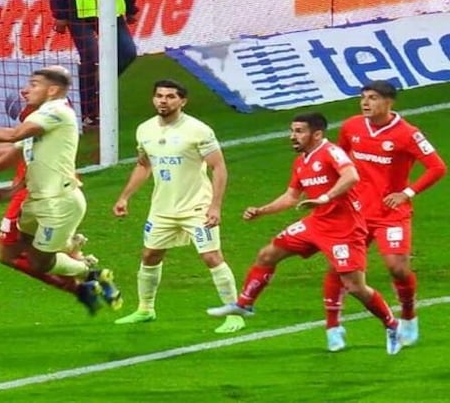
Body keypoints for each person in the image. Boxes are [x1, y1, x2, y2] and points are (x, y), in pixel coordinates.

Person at [207, 112, 405, 355]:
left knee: (355, 287)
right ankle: (245, 304)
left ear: (317, 134)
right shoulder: (302, 161)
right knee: (267, 254)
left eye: (299, 131)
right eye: (292, 131)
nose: (293, 136)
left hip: (345, 230)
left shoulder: (331, 152)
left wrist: (325, 197)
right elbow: (291, 197)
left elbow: (351, 176)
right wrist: (262, 210)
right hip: (316, 224)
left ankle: (392, 325)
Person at [111, 79, 242, 333]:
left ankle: (234, 312)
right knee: (150, 255)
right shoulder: (145, 130)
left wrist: (215, 207)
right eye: (159, 95)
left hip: (196, 207)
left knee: (211, 256)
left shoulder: (198, 130)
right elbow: (143, 164)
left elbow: (218, 167)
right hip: (162, 208)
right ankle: (145, 309)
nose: (163, 100)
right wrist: (125, 196)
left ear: (182, 101)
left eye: (170, 96)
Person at [322, 81, 445, 351]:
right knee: (341, 267)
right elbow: (338, 159)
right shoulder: (351, 126)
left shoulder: (408, 134)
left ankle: (409, 315)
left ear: (390, 102)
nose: (366, 102)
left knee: (397, 268)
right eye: (363, 97)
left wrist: (407, 193)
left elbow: (437, 167)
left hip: (391, 212)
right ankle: (333, 326)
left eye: (373, 98)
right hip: (355, 212)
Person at [0, 66, 121, 311]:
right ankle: (73, 252)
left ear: (52, 89)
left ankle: (87, 277)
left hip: (52, 197)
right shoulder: (38, 112)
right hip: (30, 192)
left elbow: (14, 137)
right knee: (16, 252)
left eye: (33, 84)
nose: (25, 90)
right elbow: (19, 152)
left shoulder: (54, 111)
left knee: (21, 257)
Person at [48, 0, 138, 129]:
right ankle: (89, 113)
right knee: (91, 58)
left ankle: (99, 87)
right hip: (79, 12)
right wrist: (60, 15)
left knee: (128, 52)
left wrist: (131, 8)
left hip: (111, 11)